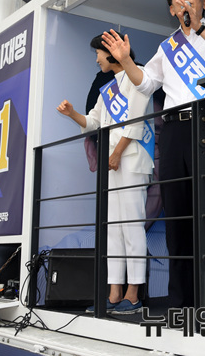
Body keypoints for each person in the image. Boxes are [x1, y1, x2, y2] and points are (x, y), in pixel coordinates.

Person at [102, 0, 205, 309]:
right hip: (175, 132)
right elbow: (145, 83)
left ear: (203, 2)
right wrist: (126, 60)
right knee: (179, 223)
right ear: (170, 8)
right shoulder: (167, 47)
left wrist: (199, 27)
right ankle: (183, 305)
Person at [57, 33, 153, 314]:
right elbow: (93, 122)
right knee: (113, 228)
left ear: (110, 51)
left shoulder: (138, 76)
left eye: (98, 53)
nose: (97, 59)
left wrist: (117, 152)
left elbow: (136, 123)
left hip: (132, 161)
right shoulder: (107, 88)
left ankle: (133, 295)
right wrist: (72, 113)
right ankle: (114, 294)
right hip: (113, 164)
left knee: (132, 226)